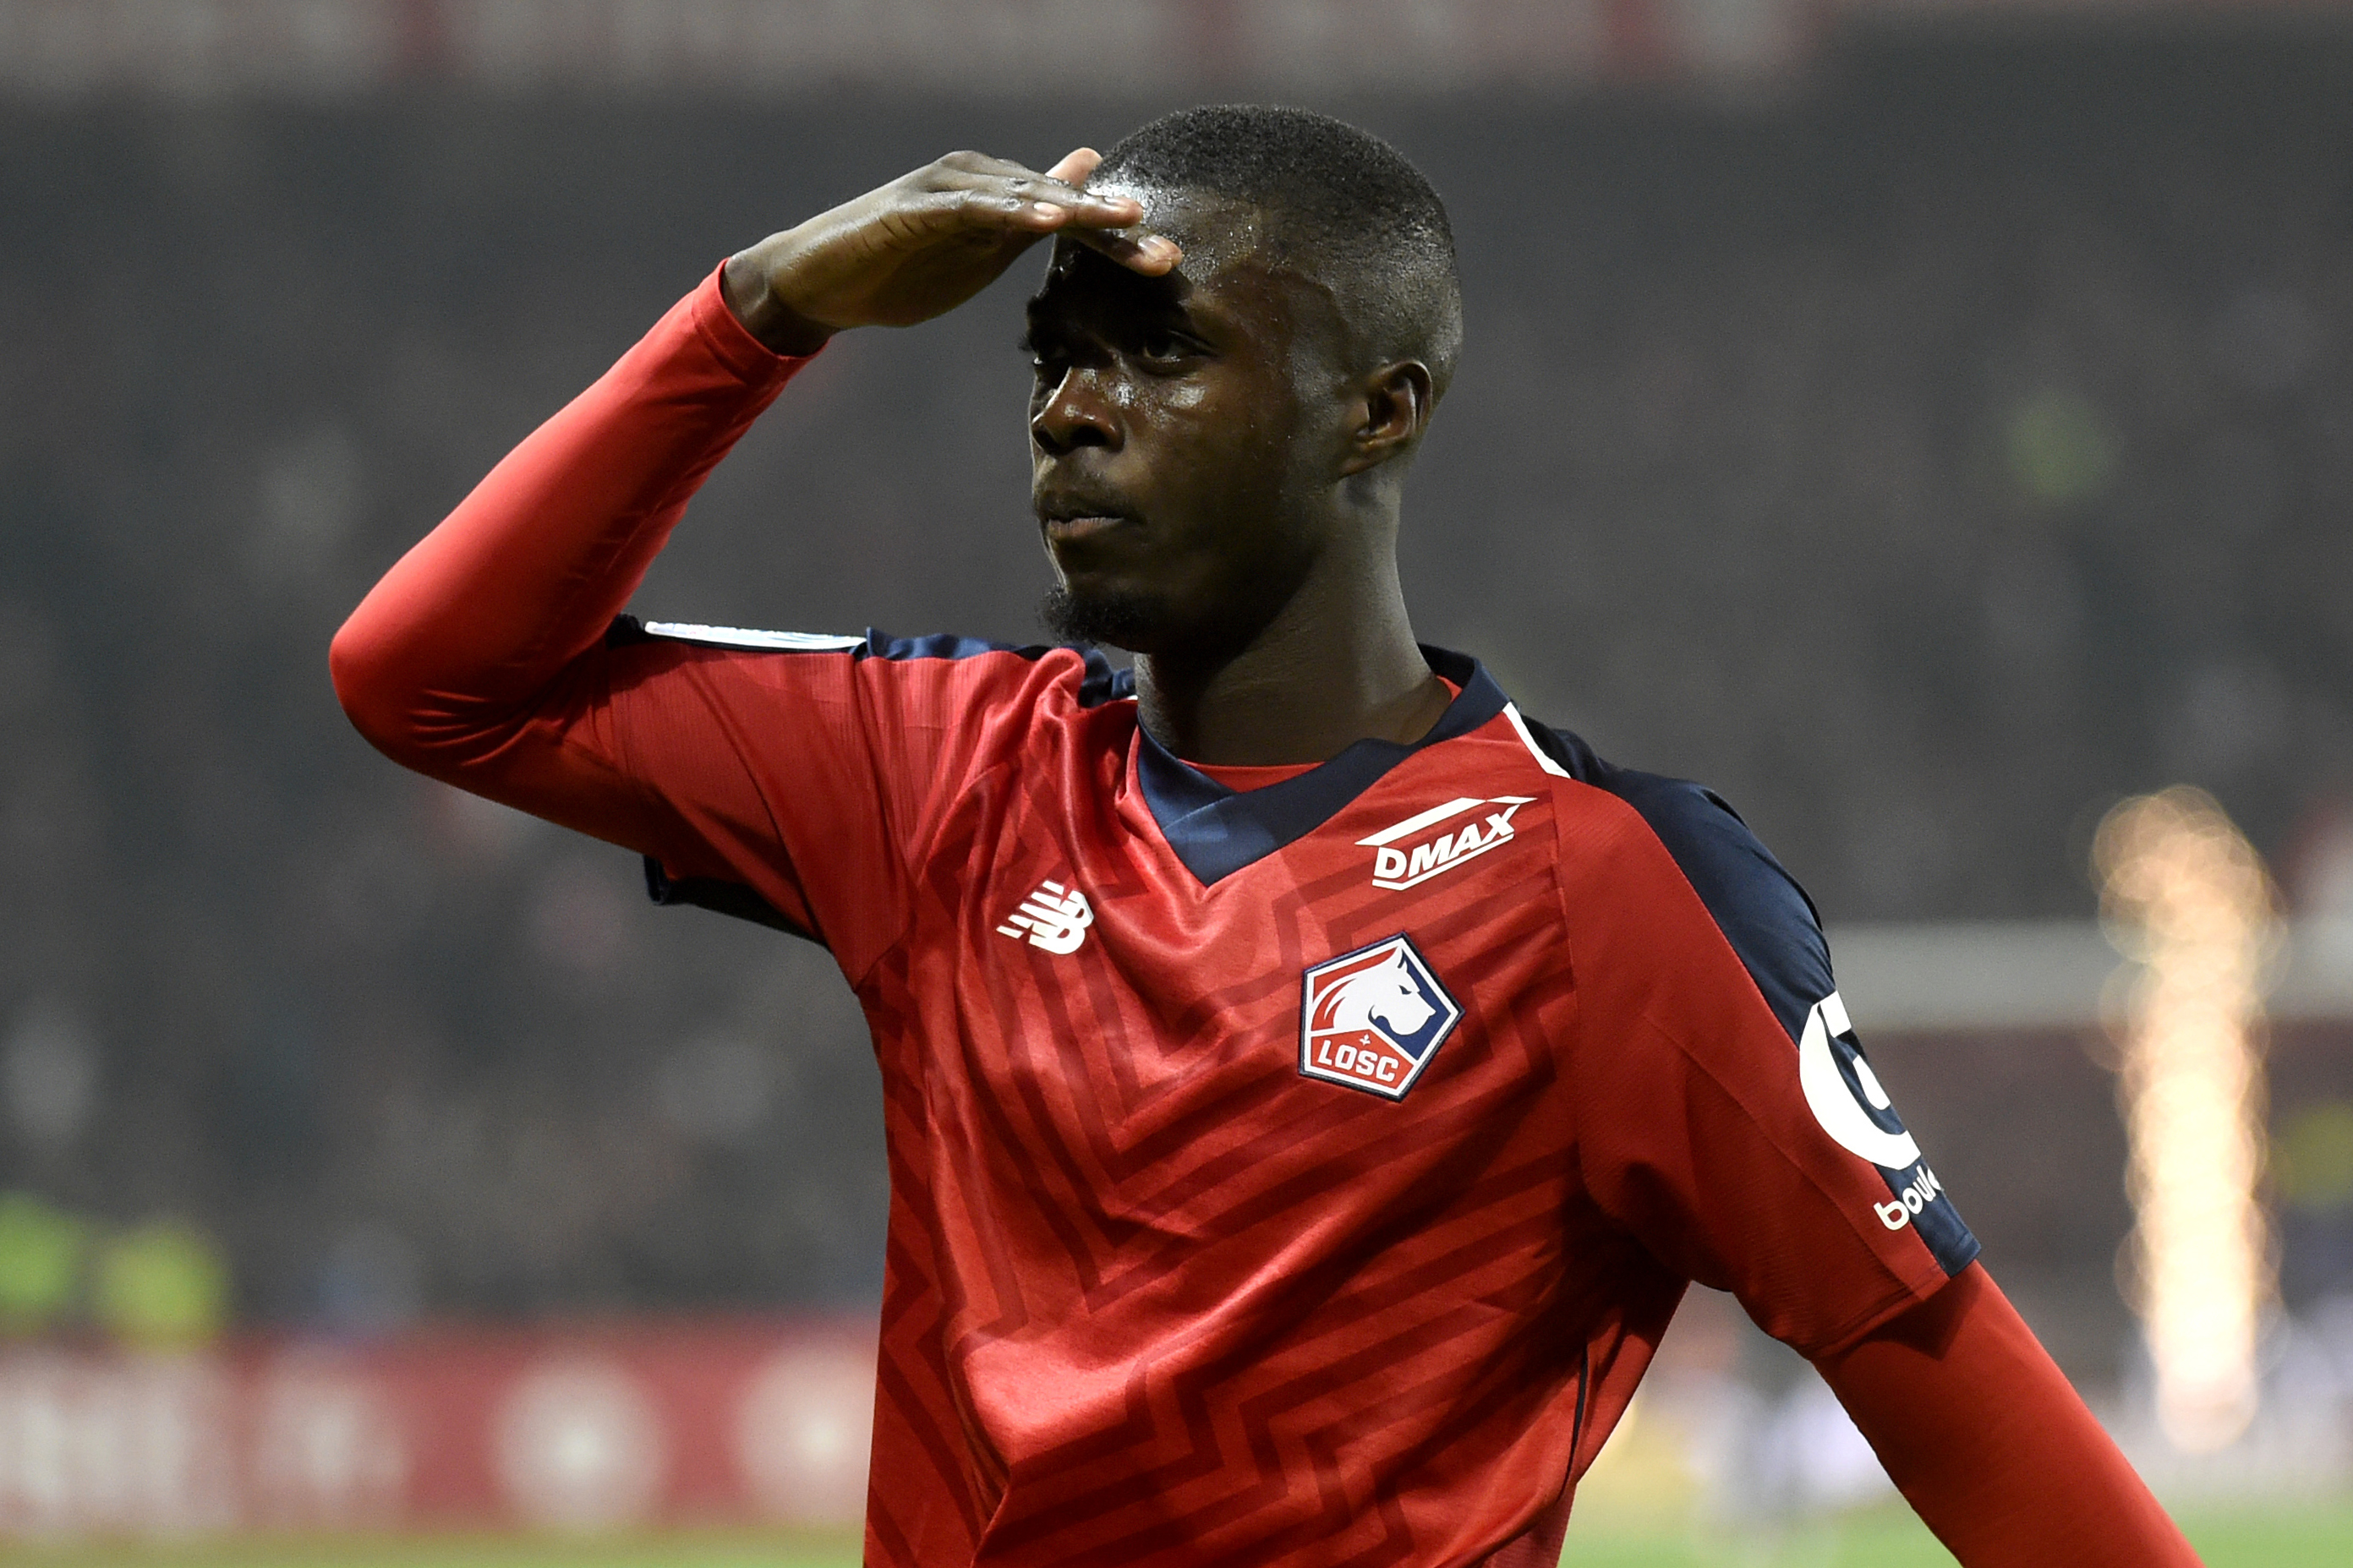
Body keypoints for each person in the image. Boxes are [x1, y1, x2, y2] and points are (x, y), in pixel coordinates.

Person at [333, 107, 2197, 1566]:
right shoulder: (941, 767)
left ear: (1376, 408)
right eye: (1051, 358)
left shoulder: (1604, 896)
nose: (1071, 410)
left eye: (1156, 351)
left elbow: (1996, 1448)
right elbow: (427, 675)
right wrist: (770, 304)